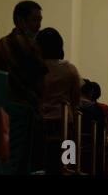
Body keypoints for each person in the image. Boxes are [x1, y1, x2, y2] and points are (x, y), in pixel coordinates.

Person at [0, 1, 48, 173]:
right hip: (17, 109)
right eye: (35, 20)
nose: (39, 26)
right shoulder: (21, 46)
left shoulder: (4, 44)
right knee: (17, 161)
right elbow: (38, 73)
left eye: (40, 20)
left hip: (20, 109)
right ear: (20, 20)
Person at [36, 28, 83, 174]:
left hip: (39, 125)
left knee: (38, 167)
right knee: (67, 167)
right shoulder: (69, 69)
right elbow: (76, 101)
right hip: (65, 126)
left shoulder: (35, 68)